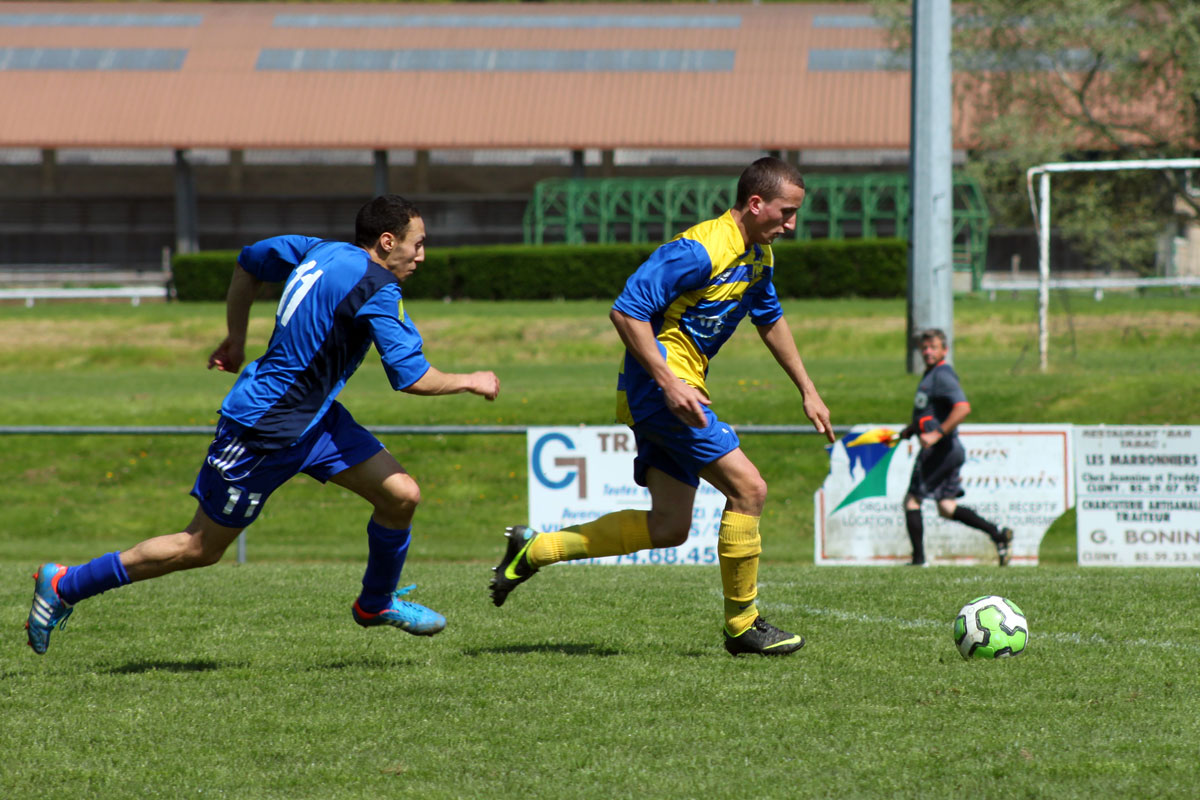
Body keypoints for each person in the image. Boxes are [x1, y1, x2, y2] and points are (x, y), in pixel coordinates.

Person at [25, 195, 500, 655]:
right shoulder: (378, 287)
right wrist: (471, 380)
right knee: (199, 547)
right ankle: (66, 584)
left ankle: (375, 604)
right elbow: (412, 377)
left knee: (401, 496)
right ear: (387, 241)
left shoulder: (317, 249)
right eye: (418, 243)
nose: (422, 255)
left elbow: (249, 262)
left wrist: (236, 339)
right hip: (263, 429)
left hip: (314, 419)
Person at [489, 157, 834, 657]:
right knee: (749, 489)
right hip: (661, 391)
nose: (792, 225)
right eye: (786, 212)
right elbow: (626, 310)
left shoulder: (760, 256)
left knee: (669, 527)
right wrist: (669, 383)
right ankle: (743, 625)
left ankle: (535, 549)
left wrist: (808, 389)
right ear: (756, 203)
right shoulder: (698, 250)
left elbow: (769, 318)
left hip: (673, 391)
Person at [898, 328, 1012, 566]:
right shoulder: (932, 374)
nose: (928, 352)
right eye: (924, 347)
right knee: (946, 507)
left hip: (940, 450)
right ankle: (998, 534)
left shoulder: (942, 375)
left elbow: (962, 408)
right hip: (950, 450)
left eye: (933, 347)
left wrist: (936, 434)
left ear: (945, 350)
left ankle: (918, 561)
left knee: (912, 500)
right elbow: (931, 413)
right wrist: (912, 429)